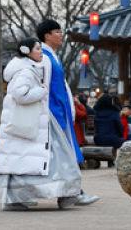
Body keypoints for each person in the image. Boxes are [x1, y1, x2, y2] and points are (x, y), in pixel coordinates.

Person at [0, 37, 77, 211]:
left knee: (25, 162)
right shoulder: (26, 71)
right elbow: (20, 94)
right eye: (38, 49)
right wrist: (41, 91)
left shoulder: (28, 68)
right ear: (28, 52)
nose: (41, 52)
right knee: (54, 157)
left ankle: (20, 197)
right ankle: (66, 193)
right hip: (31, 123)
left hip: (32, 123)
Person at [37, 19, 99, 207]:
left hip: (59, 111)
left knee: (63, 156)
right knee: (62, 156)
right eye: (57, 31)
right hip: (53, 112)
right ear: (47, 35)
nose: (61, 34)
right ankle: (72, 193)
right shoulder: (44, 56)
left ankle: (71, 193)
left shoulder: (50, 55)